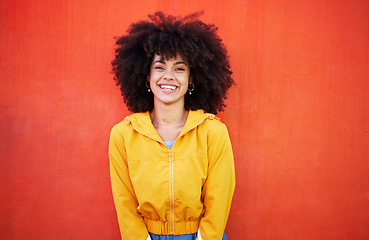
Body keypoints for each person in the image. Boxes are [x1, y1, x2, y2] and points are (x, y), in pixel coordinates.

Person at [109, 11, 235, 240]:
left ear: (191, 79)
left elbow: (220, 198)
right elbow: (123, 199)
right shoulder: (123, 135)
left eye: (179, 68)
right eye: (159, 67)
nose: (168, 76)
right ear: (146, 76)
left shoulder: (213, 132)